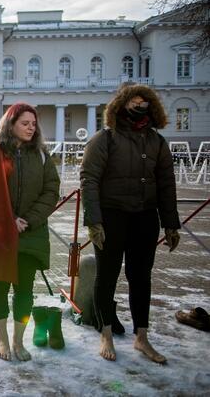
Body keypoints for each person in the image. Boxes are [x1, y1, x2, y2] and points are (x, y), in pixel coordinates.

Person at [81, 83, 180, 363]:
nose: (140, 104)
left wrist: (171, 223)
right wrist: (94, 221)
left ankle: (141, 337)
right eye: (134, 100)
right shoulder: (105, 138)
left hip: (145, 217)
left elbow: (166, 184)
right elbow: (89, 180)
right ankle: (106, 333)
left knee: (141, 277)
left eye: (145, 100)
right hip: (112, 217)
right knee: (107, 275)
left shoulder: (156, 141)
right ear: (121, 104)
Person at [0, 103, 60, 361]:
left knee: (25, 291)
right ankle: (2, 340)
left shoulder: (41, 154)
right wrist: (8, 220)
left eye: (33, 123)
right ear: (11, 124)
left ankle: (18, 341)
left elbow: (51, 191)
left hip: (31, 233)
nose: (31, 128)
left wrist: (27, 220)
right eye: (25, 123)